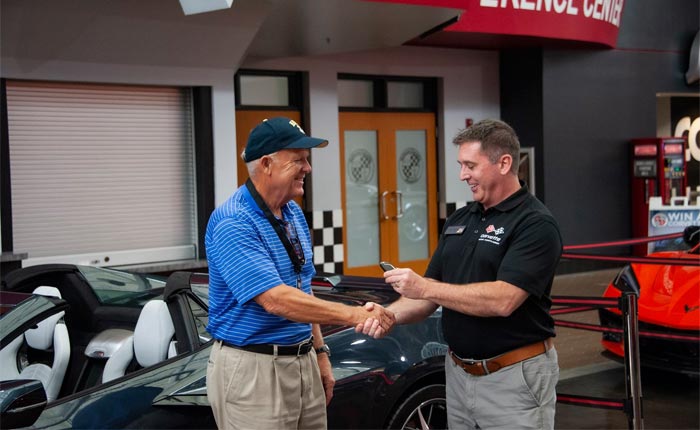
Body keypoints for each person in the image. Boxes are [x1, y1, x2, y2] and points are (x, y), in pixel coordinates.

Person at [359, 119, 563, 429]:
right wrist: (388, 315)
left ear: (504, 163)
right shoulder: (460, 219)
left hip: (514, 377)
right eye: (461, 165)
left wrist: (425, 287)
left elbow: (503, 299)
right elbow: (428, 295)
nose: (462, 175)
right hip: (458, 375)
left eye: (470, 165)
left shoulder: (535, 224)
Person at [206, 117, 395, 430]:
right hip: (254, 369)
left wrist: (320, 354)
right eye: (299, 160)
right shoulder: (234, 222)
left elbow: (301, 288)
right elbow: (277, 300)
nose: (308, 168)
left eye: (307, 160)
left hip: (303, 360)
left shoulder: (292, 212)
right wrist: (356, 316)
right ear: (266, 164)